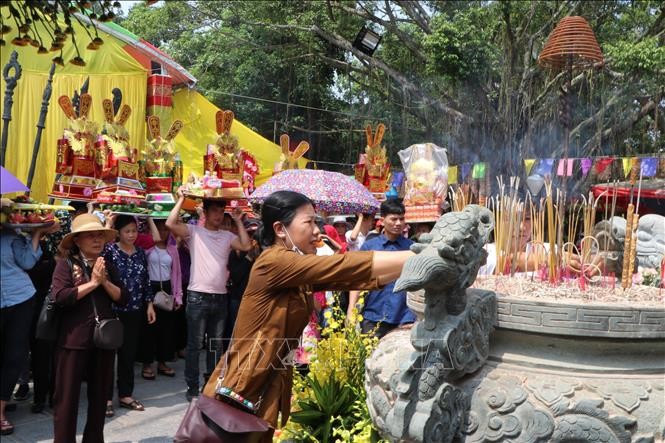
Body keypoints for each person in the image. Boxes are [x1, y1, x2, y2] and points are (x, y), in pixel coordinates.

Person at [201, 190, 414, 442]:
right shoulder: (274, 262)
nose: (317, 230)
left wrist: (412, 265)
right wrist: (417, 256)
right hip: (241, 387)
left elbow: (345, 276)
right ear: (281, 229)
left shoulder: (292, 269)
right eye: (309, 222)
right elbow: (341, 267)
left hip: (264, 384)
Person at [166, 191, 252, 401]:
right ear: (205, 212)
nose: (219, 215)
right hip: (197, 296)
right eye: (214, 210)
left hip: (220, 297)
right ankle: (192, 387)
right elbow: (170, 223)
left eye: (222, 211)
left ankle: (211, 385)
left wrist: (239, 221)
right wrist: (180, 199)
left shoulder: (227, 236)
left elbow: (247, 245)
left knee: (215, 345)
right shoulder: (194, 232)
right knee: (195, 346)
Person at [51, 214, 127, 442]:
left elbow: (123, 298)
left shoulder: (108, 266)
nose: (97, 240)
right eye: (91, 236)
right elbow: (61, 296)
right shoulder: (65, 266)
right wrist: (92, 283)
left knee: (100, 396)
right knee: (66, 399)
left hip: (104, 340)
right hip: (73, 340)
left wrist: (104, 281)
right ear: (77, 240)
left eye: (100, 235)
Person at [0, 221, 53, 435]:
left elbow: (28, 262)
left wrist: (36, 233)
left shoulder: (11, 232)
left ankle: (1, 410)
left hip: (20, 298)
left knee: (14, 355)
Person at [103, 215, 155, 414]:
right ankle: (106, 398)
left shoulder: (141, 253)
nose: (132, 235)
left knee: (128, 354)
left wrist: (149, 304)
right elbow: (99, 248)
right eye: (127, 231)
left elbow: (146, 280)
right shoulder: (110, 251)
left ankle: (125, 394)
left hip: (135, 310)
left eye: (134, 230)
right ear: (118, 233)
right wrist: (108, 223)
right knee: (108, 357)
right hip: (112, 309)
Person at [348, 199, 416, 338]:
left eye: (401, 219)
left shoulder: (412, 248)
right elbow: (358, 280)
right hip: (373, 315)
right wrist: (351, 309)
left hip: (405, 317)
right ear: (383, 220)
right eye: (394, 219)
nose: (398, 223)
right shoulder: (369, 247)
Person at [139, 217, 182, 380]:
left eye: (165, 229)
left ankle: (163, 362)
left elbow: (177, 274)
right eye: (159, 229)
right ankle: (147, 363)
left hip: (167, 289)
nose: (163, 232)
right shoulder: (147, 248)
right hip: (150, 288)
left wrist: (178, 296)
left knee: (167, 328)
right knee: (148, 329)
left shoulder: (172, 249)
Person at [223, 218, 262, 351]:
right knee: (234, 331)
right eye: (249, 234)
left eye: (254, 235)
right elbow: (236, 275)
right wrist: (248, 258)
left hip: (255, 299)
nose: (252, 238)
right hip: (237, 297)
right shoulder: (236, 252)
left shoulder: (262, 254)